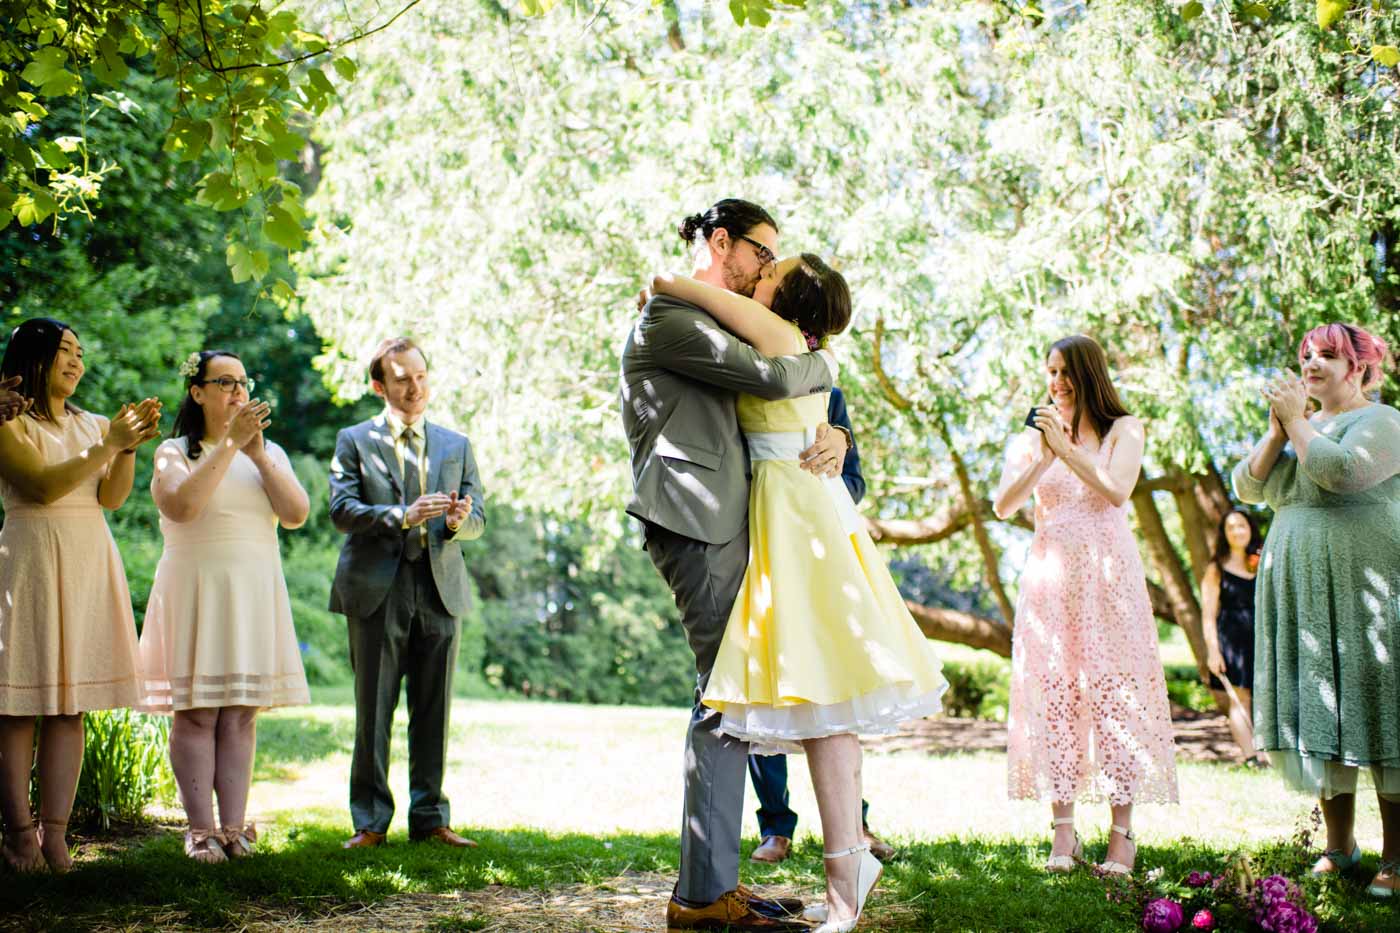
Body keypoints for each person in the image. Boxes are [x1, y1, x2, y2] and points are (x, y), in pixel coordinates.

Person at [650, 257, 947, 933]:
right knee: (823, 698)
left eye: (770, 268)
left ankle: (846, 872)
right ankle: (846, 870)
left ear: (786, 296)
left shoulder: (777, 335)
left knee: (829, 694)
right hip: (795, 517)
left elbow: (673, 285)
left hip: (799, 521)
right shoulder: (800, 346)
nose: (759, 271)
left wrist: (691, 267)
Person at [621, 199, 851, 933]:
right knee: (721, 697)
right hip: (696, 519)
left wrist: (837, 431)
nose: (764, 268)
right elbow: (773, 376)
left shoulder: (711, 311)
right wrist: (824, 357)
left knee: (728, 693)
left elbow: (792, 406)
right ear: (723, 243)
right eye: (761, 252)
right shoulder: (669, 317)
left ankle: (716, 882)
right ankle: (701, 898)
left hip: (737, 518)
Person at [993, 334, 1178, 877]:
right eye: (1049, 371)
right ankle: (1064, 836)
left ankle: (1122, 838)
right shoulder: (1032, 438)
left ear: (1088, 375)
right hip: (1050, 579)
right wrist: (1044, 454)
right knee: (1055, 699)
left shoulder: (1126, 429)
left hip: (1108, 576)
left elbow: (1117, 491)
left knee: (1115, 697)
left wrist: (1069, 451)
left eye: (1065, 372)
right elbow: (1004, 506)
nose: (1055, 382)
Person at [1233, 322, 1400, 897]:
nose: (1312, 364)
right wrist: (1280, 429)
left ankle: (1397, 858)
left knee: (1377, 708)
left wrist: (1297, 422)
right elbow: (1249, 488)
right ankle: (1340, 846)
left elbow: (1340, 471)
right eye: (1307, 355)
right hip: (1301, 589)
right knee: (1323, 706)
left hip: (1366, 591)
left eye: (1328, 356)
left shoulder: (1384, 421)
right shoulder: (1299, 427)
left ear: (1358, 367)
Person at [137, 350, 312, 862]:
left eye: (243, 381)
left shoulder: (267, 451)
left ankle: (233, 830)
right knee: (195, 713)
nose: (239, 391)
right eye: (225, 382)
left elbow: (297, 514)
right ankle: (200, 831)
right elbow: (182, 507)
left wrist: (255, 454)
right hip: (195, 589)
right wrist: (229, 445)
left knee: (239, 714)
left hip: (252, 591)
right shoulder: (173, 451)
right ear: (198, 392)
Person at [0, 318, 161, 873]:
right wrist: (108, 445)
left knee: (70, 707)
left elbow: (112, 498)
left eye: (80, 353)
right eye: (64, 351)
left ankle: (55, 836)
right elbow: (41, 488)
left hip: (89, 555)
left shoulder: (94, 423)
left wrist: (128, 447)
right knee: (19, 707)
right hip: (31, 557)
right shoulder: (8, 421)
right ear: (33, 359)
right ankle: (18, 835)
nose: (76, 361)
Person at [330, 337, 485, 850]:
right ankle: (370, 822)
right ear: (380, 385)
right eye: (401, 378)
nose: (414, 387)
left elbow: (479, 515)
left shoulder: (455, 444)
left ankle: (430, 819)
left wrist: (461, 522)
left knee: (433, 707)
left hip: (439, 586)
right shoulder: (353, 439)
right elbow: (341, 510)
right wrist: (402, 515)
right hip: (378, 588)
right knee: (373, 708)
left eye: (420, 375)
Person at [747, 387, 895, 866]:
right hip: (758, 540)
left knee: (833, 678)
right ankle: (775, 826)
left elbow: (855, 483)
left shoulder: (829, 392)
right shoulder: (740, 377)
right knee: (766, 677)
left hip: (819, 546)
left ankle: (857, 822)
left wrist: (825, 473)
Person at [1200, 508, 1265, 766]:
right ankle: (1251, 758)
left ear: (1250, 529)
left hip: (1262, 639)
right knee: (1241, 700)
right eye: (1231, 527)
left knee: (1265, 698)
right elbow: (1208, 613)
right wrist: (1212, 650)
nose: (1237, 531)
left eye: (1242, 526)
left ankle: (1268, 754)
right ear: (1224, 534)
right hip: (1232, 641)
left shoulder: (1262, 562)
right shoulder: (1216, 569)